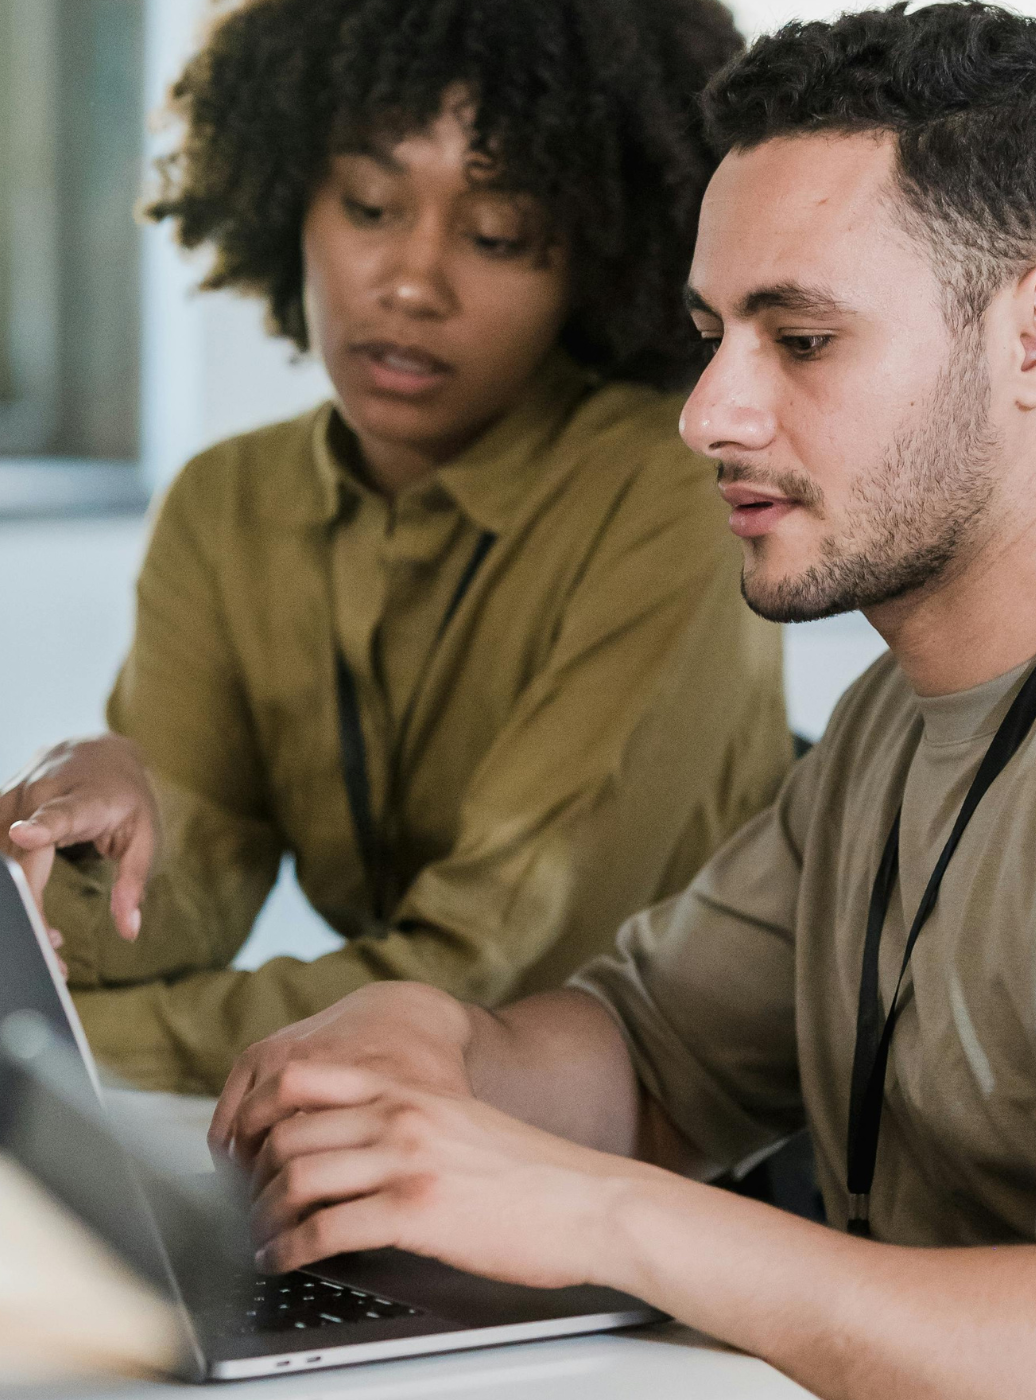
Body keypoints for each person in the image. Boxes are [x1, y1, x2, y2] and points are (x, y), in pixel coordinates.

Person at [201, 4, 1036, 1396]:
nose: (707, 412)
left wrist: (592, 1212)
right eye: (713, 333)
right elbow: (651, 1060)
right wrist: (449, 1046)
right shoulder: (887, 729)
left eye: (803, 339)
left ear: (1031, 332)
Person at [0, 0, 791, 1095]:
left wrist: (57, 1054)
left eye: (499, 233)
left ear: (600, 251)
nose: (413, 283)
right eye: (370, 205)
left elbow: (490, 969)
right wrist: (82, 856)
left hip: (662, 1160)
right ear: (291, 197)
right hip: (377, 1136)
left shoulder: (667, 496)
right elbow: (182, 893)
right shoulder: (228, 503)